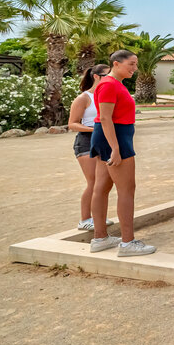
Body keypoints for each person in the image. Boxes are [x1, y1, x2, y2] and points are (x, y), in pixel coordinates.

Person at [89, 50, 157, 257]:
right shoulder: (109, 84)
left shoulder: (113, 84)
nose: (135, 68)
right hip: (114, 137)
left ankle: (100, 238)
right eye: (131, 64)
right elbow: (105, 118)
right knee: (126, 189)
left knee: (102, 187)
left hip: (111, 136)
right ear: (116, 64)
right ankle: (128, 243)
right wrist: (116, 148)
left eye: (136, 64)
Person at [68, 64, 113, 231]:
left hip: (105, 141)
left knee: (104, 182)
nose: (111, 79)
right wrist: (95, 129)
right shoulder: (84, 98)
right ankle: (85, 219)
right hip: (86, 141)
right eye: (107, 75)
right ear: (96, 76)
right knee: (93, 181)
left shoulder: (106, 95)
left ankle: (98, 218)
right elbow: (72, 124)